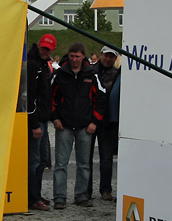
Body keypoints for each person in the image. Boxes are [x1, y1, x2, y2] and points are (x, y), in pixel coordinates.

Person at [51, 42, 106, 209]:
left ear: (83, 57)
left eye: (77, 56)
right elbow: (50, 97)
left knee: (84, 164)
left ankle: (81, 195)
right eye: (72, 56)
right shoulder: (59, 74)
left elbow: (101, 99)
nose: (74, 59)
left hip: (85, 126)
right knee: (61, 164)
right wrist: (55, 118)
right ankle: (59, 197)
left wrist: (94, 121)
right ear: (68, 56)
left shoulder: (92, 75)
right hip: (64, 126)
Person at [87, 46, 120, 201]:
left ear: (115, 58)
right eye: (106, 55)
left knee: (106, 158)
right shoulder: (90, 70)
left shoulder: (117, 73)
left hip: (107, 121)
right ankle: (86, 190)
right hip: (90, 119)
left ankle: (106, 189)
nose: (108, 59)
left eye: (111, 57)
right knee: (86, 158)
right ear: (101, 55)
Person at [28, 34, 56, 211]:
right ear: (39, 45)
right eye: (43, 48)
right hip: (37, 120)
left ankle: (36, 194)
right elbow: (29, 95)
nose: (45, 51)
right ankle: (32, 198)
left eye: (48, 49)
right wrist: (34, 124)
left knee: (42, 160)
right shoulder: (33, 65)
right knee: (34, 161)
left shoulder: (42, 64)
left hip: (43, 119)